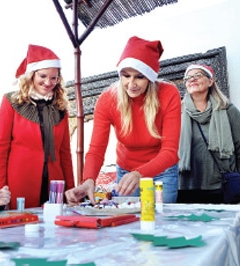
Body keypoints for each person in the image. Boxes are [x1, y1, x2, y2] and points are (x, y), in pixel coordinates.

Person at [65, 35, 181, 205]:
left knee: (162, 223)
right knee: (128, 225)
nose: (131, 84)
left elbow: (170, 152)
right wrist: (88, 179)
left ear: (150, 77)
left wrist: (139, 174)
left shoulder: (169, 94)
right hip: (126, 173)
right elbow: (96, 150)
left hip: (162, 172)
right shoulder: (107, 100)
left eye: (139, 77)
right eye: (126, 76)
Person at [0, 44, 75, 209]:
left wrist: (70, 189)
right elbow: (0, 148)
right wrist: (0, 189)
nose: (48, 82)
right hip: (20, 183)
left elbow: (65, 153)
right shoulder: (11, 102)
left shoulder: (60, 107)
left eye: (54, 77)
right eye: (43, 76)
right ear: (31, 75)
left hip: (55, 185)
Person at [177, 64, 240, 204]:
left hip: (219, 185)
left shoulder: (227, 109)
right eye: (188, 77)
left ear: (210, 81)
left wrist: (234, 173)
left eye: (197, 75)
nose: (191, 79)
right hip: (186, 185)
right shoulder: (176, 112)